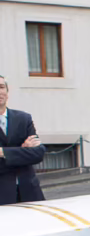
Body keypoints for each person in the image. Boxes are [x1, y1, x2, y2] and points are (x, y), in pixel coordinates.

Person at [0, 75, 46, 205]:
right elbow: (29, 156)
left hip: (30, 193)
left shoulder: (23, 118)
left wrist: (3, 153)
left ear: (7, 92)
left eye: (1, 87)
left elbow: (39, 153)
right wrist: (23, 152)